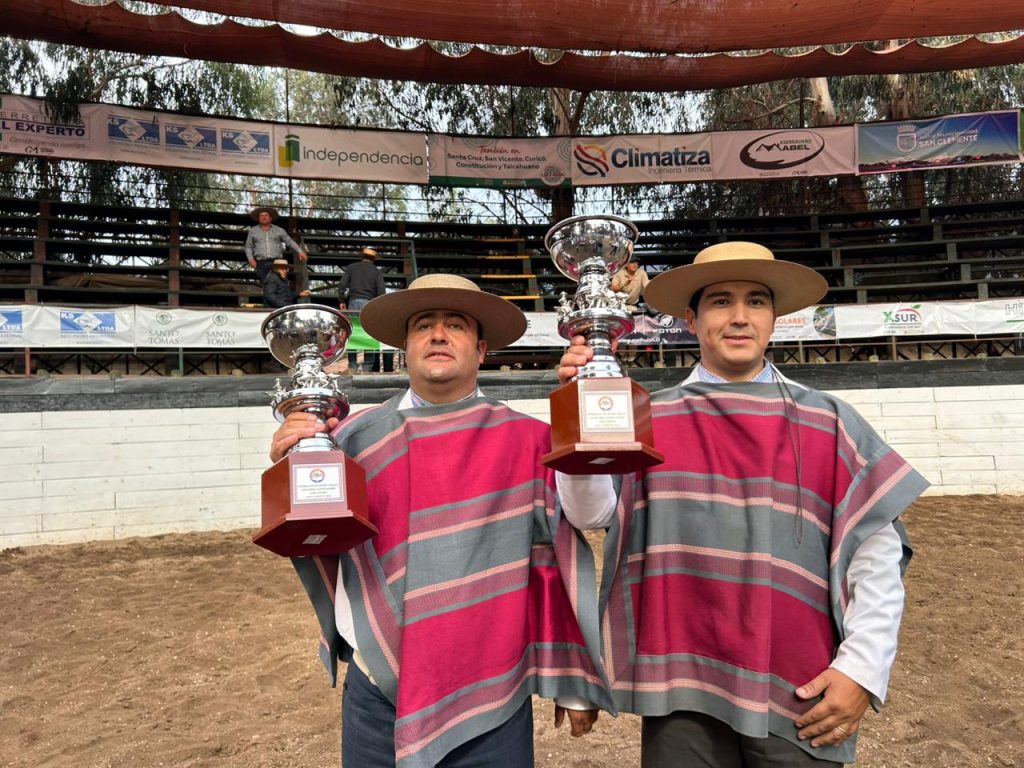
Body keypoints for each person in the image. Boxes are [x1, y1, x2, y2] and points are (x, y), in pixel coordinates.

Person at [557, 241, 928, 767]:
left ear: (774, 318)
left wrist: (863, 669)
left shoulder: (829, 420)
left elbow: (875, 554)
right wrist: (578, 415)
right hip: (680, 683)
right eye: (720, 301)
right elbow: (590, 513)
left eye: (756, 301)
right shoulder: (645, 417)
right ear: (691, 319)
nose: (739, 316)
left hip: (801, 685)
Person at [270, 274, 613, 768]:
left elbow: (553, 558)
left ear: (481, 349)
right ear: (404, 347)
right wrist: (290, 472)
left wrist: (573, 681)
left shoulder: (529, 440)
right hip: (377, 685)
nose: (437, 335)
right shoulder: (350, 439)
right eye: (423, 325)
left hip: (493, 693)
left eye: (455, 324)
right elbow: (312, 540)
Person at [338, 247, 387, 373]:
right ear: (373, 259)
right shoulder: (376, 271)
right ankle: (368, 366)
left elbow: (342, 285)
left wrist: (342, 300)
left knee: (353, 332)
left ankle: (352, 364)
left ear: (362, 256)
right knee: (369, 333)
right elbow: (381, 292)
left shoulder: (352, 267)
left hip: (353, 303)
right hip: (369, 304)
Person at [245, 205, 307, 283]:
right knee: (266, 284)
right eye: (261, 215)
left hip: (278, 262)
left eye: (266, 215)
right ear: (258, 218)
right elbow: (248, 246)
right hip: (262, 262)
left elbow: (289, 241)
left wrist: (300, 251)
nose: (264, 217)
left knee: (280, 283)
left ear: (270, 218)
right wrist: (251, 259)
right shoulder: (253, 231)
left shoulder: (279, 230)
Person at [610, 256, 651, 367]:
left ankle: (632, 358)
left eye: (637, 263)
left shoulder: (641, 273)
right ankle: (623, 357)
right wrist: (625, 283)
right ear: (626, 264)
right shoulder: (619, 273)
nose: (635, 265)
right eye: (633, 262)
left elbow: (647, 285)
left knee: (634, 332)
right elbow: (613, 288)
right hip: (619, 306)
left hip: (633, 306)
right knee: (621, 332)